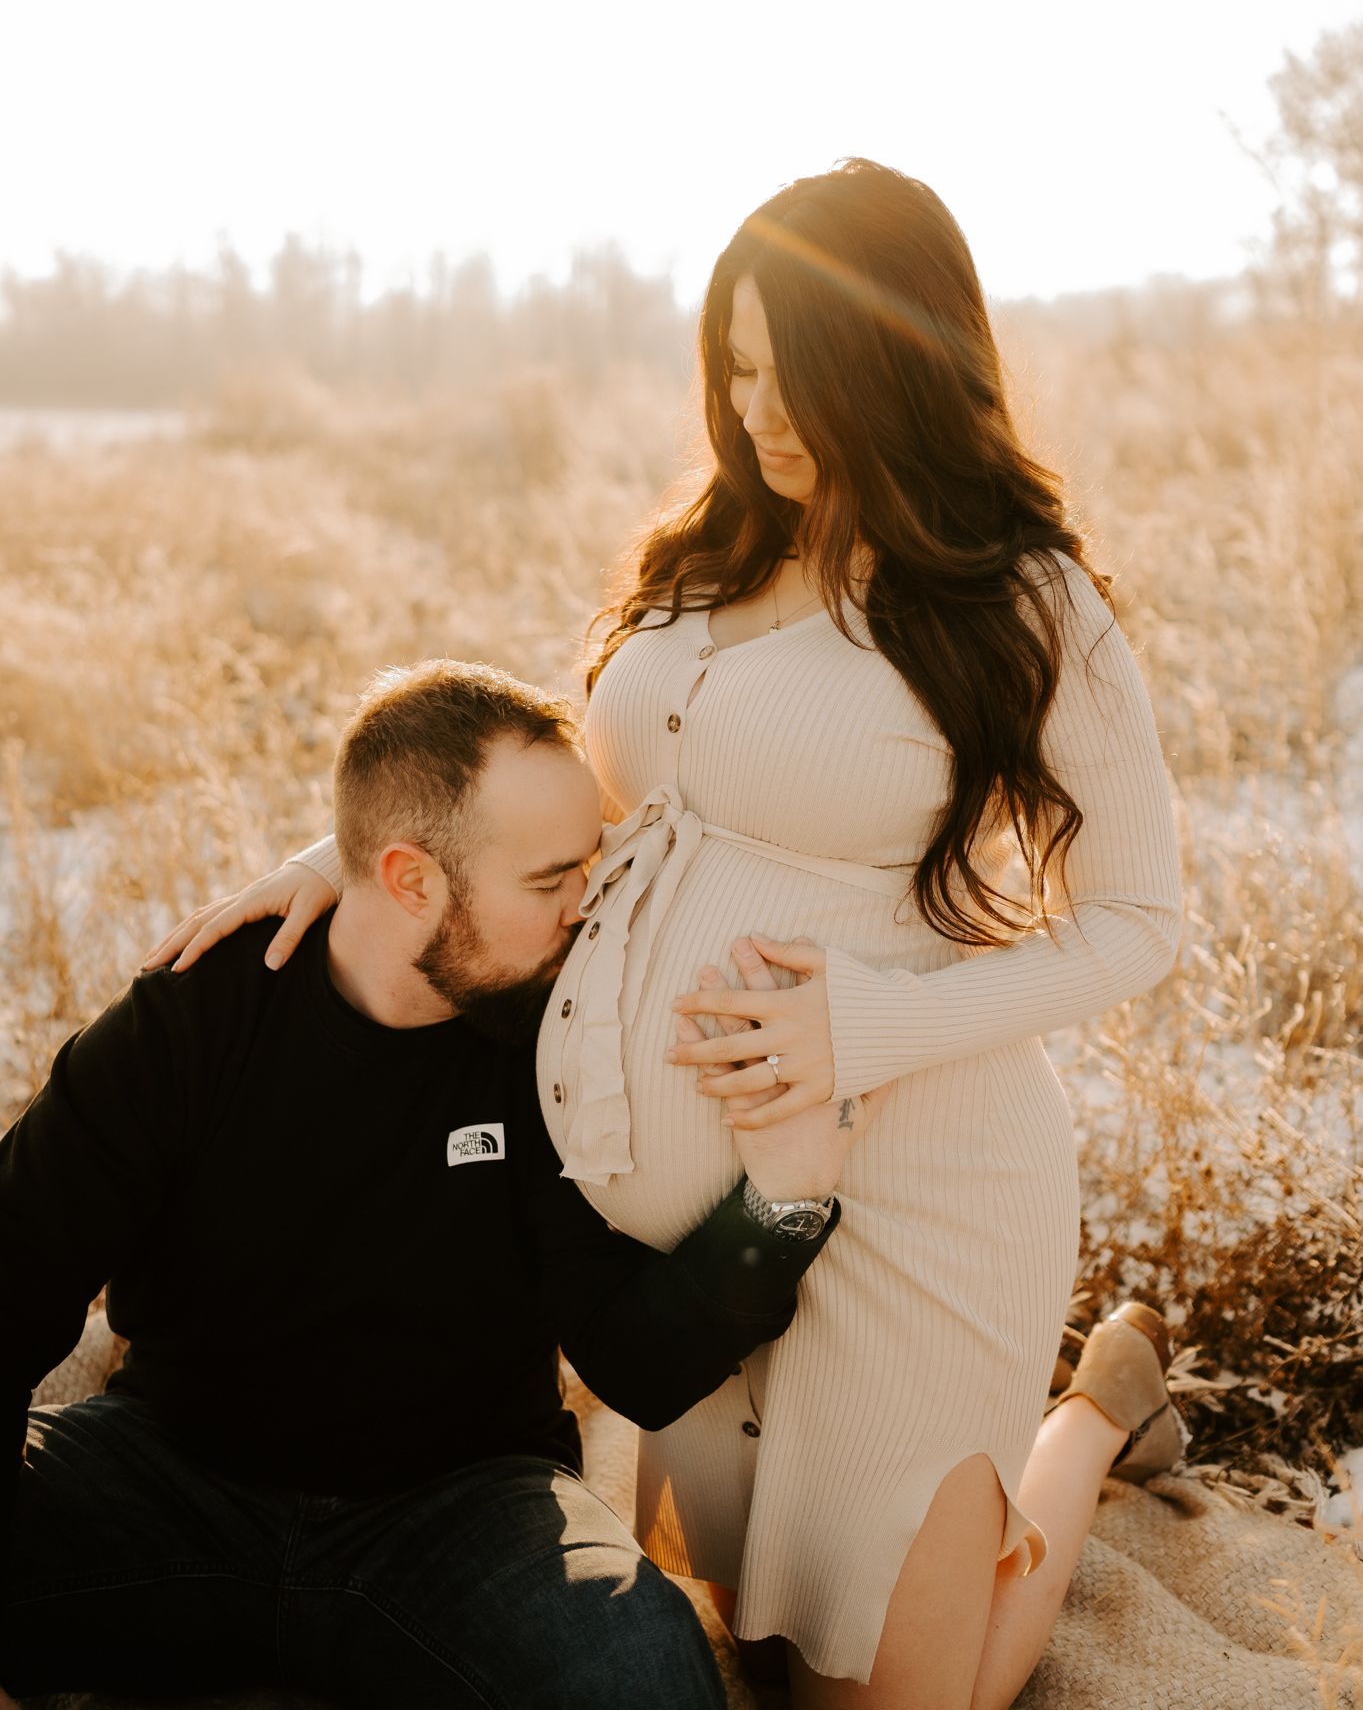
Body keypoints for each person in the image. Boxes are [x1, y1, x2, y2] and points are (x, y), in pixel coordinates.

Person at [148, 159, 1186, 1708]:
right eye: (738, 367)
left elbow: (1136, 924)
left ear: (902, 360)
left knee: (914, 1700)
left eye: (801, 374)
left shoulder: (1016, 600)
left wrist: (860, 1028)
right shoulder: (704, 556)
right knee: (745, 1645)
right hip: (681, 1251)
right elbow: (606, 790)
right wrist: (365, 853)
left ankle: (1094, 1410)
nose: (761, 414)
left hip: (912, 1189)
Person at [0, 659, 872, 1710]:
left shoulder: (551, 1043)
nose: (583, 906)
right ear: (411, 879)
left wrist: (780, 1207)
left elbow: (631, 1360)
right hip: (174, 1477)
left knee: (643, 1679)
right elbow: (18, 1268)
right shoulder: (189, 1022)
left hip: (466, 1513)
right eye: (550, 880)